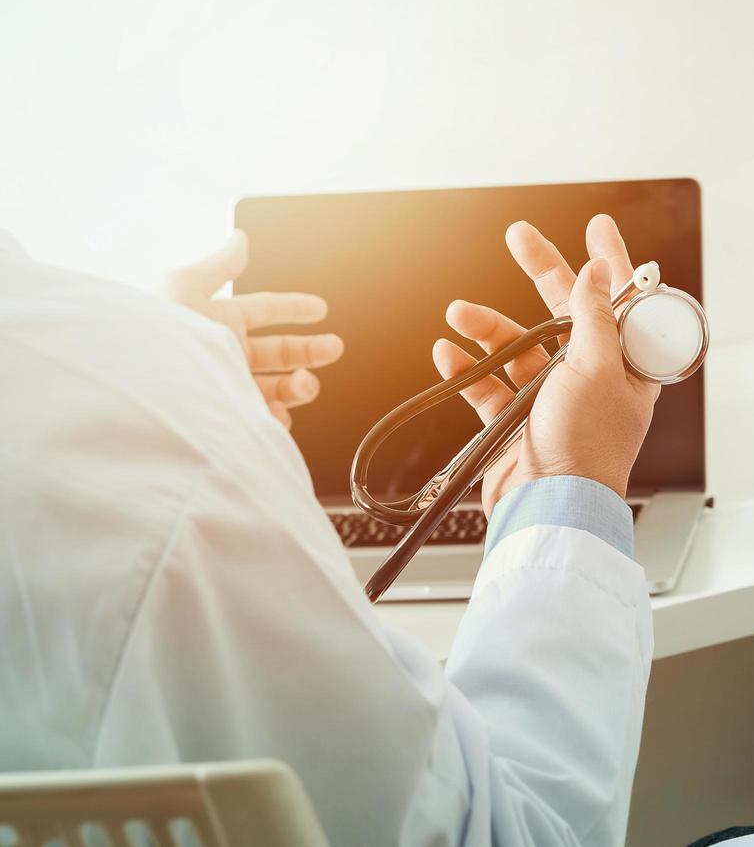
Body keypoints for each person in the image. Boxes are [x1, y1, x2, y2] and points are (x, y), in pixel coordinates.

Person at [0, 215, 661, 845]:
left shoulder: (86, 378)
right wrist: (571, 484)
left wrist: (156, 379)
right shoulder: (145, 415)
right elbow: (515, 837)